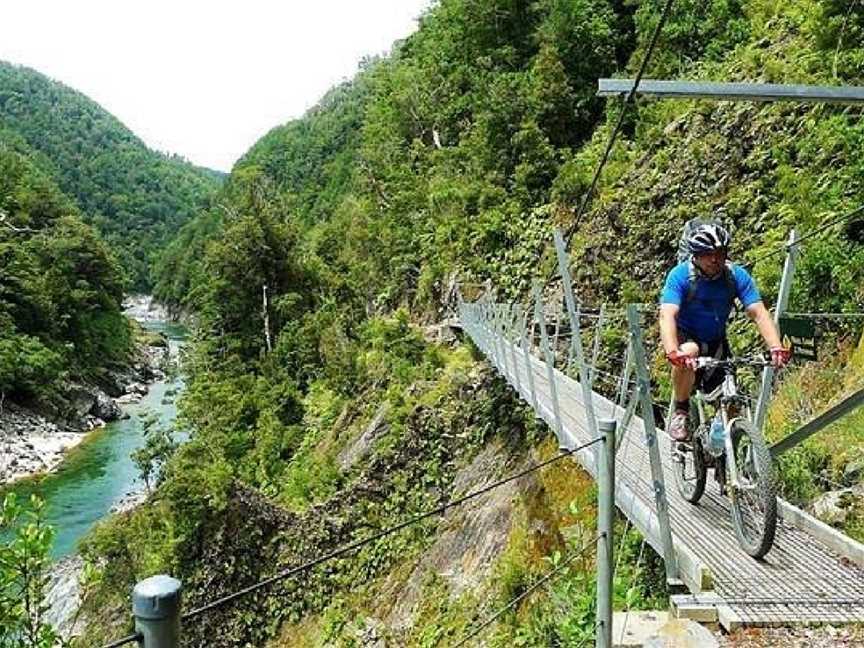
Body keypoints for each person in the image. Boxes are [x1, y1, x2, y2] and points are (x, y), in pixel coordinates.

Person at [659, 222, 791, 441]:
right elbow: (667, 315)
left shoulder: (735, 276)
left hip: (717, 341)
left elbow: (758, 312)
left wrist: (775, 347)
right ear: (696, 255)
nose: (715, 260)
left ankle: (724, 458)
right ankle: (681, 411)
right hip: (687, 337)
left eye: (720, 253)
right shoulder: (680, 276)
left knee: (732, 402)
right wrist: (673, 351)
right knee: (689, 351)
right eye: (708, 254)